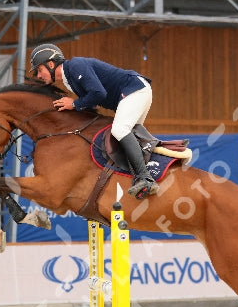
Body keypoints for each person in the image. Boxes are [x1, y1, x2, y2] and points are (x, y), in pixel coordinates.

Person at [29, 43, 159, 200]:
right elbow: (91, 103)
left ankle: (145, 178)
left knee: (120, 130)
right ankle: (145, 175)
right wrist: (74, 107)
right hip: (135, 91)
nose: (38, 75)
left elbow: (98, 93)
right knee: (130, 136)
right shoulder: (69, 78)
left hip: (134, 89)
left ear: (50, 64)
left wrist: (74, 104)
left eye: (39, 70)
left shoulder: (75, 66)